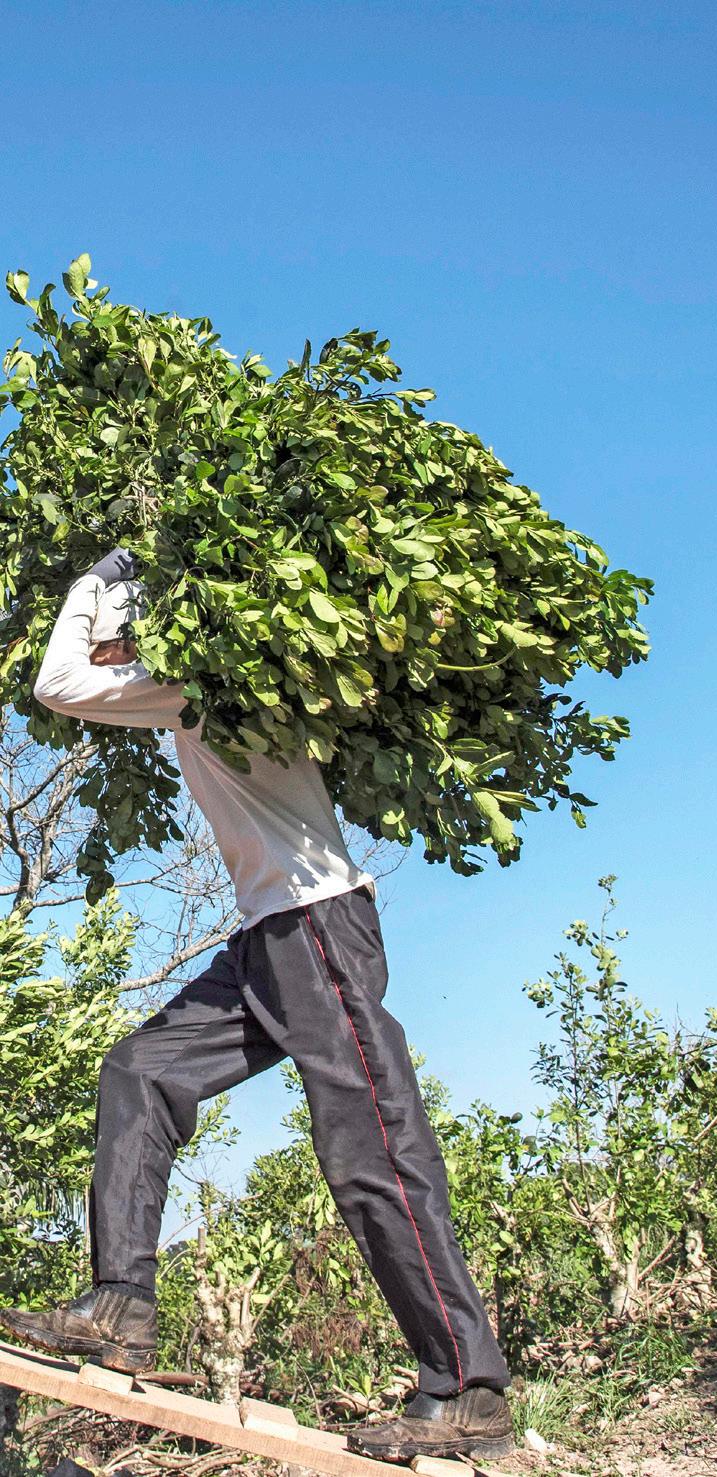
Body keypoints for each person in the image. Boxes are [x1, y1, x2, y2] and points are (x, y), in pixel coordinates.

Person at [0, 552, 514, 1464]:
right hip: (269, 938)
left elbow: (59, 682)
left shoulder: (202, 682)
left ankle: (465, 1386)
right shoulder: (203, 681)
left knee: (371, 1147)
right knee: (142, 1070)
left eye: (119, 641)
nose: (114, 657)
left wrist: (96, 576)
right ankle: (120, 1304)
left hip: (316, 925)